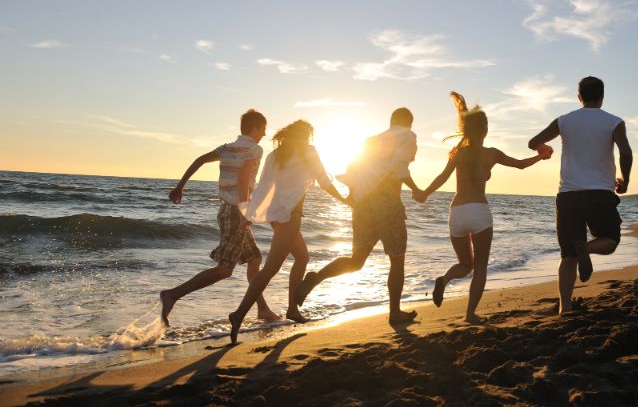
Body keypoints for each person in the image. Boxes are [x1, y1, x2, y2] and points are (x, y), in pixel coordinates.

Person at [414, 92, 553, 323]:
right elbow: (520, 165)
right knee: (479, 268)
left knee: (463, 265)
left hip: (456, 212)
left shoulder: (458, 153)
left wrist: (424, 194)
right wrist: (541, 156)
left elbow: (441, 177)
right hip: (479, 212)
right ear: (485, 130)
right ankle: (470, 314)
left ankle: (445, 279)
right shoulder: (492, 154)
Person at [294, 108, 422, 325]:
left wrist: (352, 195)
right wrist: (416, 189)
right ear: (408, 123)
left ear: (390, 121)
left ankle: (316, 278)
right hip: (388, 205)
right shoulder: (407, 135)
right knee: (397, 259)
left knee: (356, 260)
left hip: (363, 205)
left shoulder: (371, 141)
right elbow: (400, 167)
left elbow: (354, 167)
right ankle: (395, 313)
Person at [228, 120, 350, 342]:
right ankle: (238, 314)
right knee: (271, 268)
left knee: (302, 257)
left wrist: (251, 214)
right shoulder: (308, 152)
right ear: (306, 137)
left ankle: (293, 309)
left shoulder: (275, 155)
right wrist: (346, 201)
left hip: (277, 214)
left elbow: (265, 186)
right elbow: (324, 182)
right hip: (290, 215)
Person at [160, 109, 277, 326]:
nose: (264, 134)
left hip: (226, 210)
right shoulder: (254, 150)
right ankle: (172, 294)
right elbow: (244, 179)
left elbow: (200, 160)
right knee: (225, 270)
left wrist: (180, 187)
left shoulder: (226, 148)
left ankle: (263, 309)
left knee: (254, 259)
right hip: (235, 211)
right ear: (254, 128)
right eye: (263, 129)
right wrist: (245, 211)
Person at [527, 76, 633, 314]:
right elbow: (626, 153)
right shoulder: (614, 122)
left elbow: (533, 142)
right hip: (599, 194)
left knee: (568, 255)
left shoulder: (564, 120)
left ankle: (565, 308)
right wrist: (625, 180)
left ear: (579, 97)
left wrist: (543, 149)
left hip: (568, 195)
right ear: (602, 97)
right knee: (610, 240)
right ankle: (587, 248)